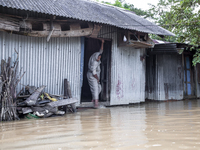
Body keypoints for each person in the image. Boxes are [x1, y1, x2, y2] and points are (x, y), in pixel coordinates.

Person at [87, 39, 104, 108]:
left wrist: (102, 43)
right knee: (95, 88)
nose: (98, 59)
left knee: (99, 88)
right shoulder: (94, 62)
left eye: (100, 58)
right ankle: (96, 104)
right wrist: (97, 79)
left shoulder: (96, 55)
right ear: (96, 57)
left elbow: (101, 51)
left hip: (94, 75)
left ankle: (93, 100)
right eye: (98, 58)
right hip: (92, 76)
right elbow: (94, 73)